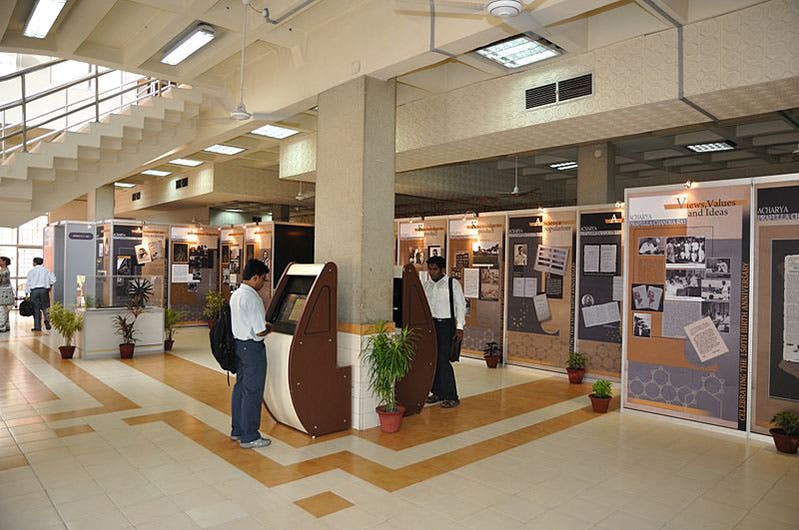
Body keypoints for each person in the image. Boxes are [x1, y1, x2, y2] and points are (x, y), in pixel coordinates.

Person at [230, 259, 272, 449]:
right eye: (263, 279)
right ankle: (250, 436)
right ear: (255, 277)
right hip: (252, 350)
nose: (263, 283)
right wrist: (270, 328)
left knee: (241, 389)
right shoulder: (253, 298)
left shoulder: (236, 294)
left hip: (239, 346)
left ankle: (237, 430)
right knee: (253, 392)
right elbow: (260, 331)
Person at [423, 255, 466, 408]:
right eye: (429, 269)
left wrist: (460, 327)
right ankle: (437, 392)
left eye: (434, 269)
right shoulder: (427, 285)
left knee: (443, 360)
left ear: (441, 269)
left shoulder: (452, 284)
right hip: (431, 326)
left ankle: (452, 396)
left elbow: (460, 306)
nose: (431, 272)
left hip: (445, 326)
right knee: (432, 360)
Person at [26, 257, 55, 332]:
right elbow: (53, 280)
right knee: (46, 307)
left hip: (34, 291)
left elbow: (28, 283)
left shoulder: (31, 271)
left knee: (36, 309)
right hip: (44, 290)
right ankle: (47, 321)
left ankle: (37, 327)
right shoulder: (47, 270)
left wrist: (27, 293)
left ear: (35, 263)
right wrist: (49, 286)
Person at [0, 257, 13, 333]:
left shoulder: (4, 272)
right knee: (5, 310)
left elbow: (1, 282)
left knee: (2, 310)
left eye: (0, 261)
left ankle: (2, 327)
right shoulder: (5, 270)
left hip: (3, 293)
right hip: (6, 292)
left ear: (4, 262)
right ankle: (7, 326)